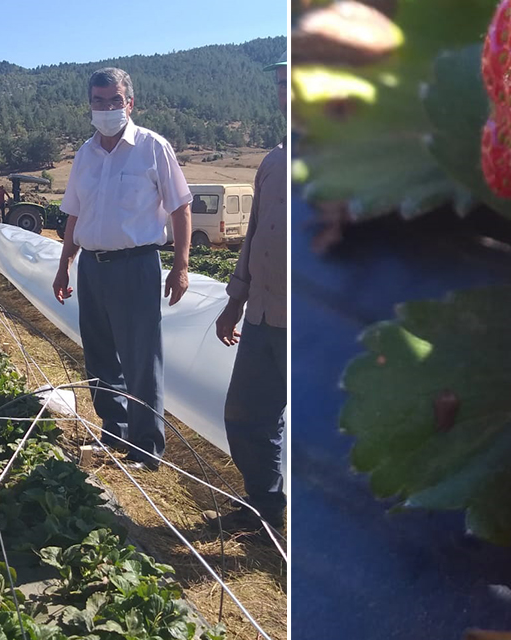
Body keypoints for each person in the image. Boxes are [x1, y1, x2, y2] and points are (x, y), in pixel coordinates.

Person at [51, 68, 191, 471]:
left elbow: (181, 207)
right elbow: (74, 216)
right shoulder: (85, 154)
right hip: (93, 267)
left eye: (115, 101)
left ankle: (146, 448)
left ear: (130, 103)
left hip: (135, 266)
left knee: (140, 359)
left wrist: (180, 266)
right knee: (99, 354)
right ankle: (115, 428)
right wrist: (65, 266)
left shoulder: (152, 148)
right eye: (99, 102)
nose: (107, 109)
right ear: (90, 106)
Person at [216, 51, 288, 531]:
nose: (288, 93)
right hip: (264, 317)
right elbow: (255, 236)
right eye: (281, 83)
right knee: (245, 416)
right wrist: (234, 303)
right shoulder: (274, 161)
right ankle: (267, 506)